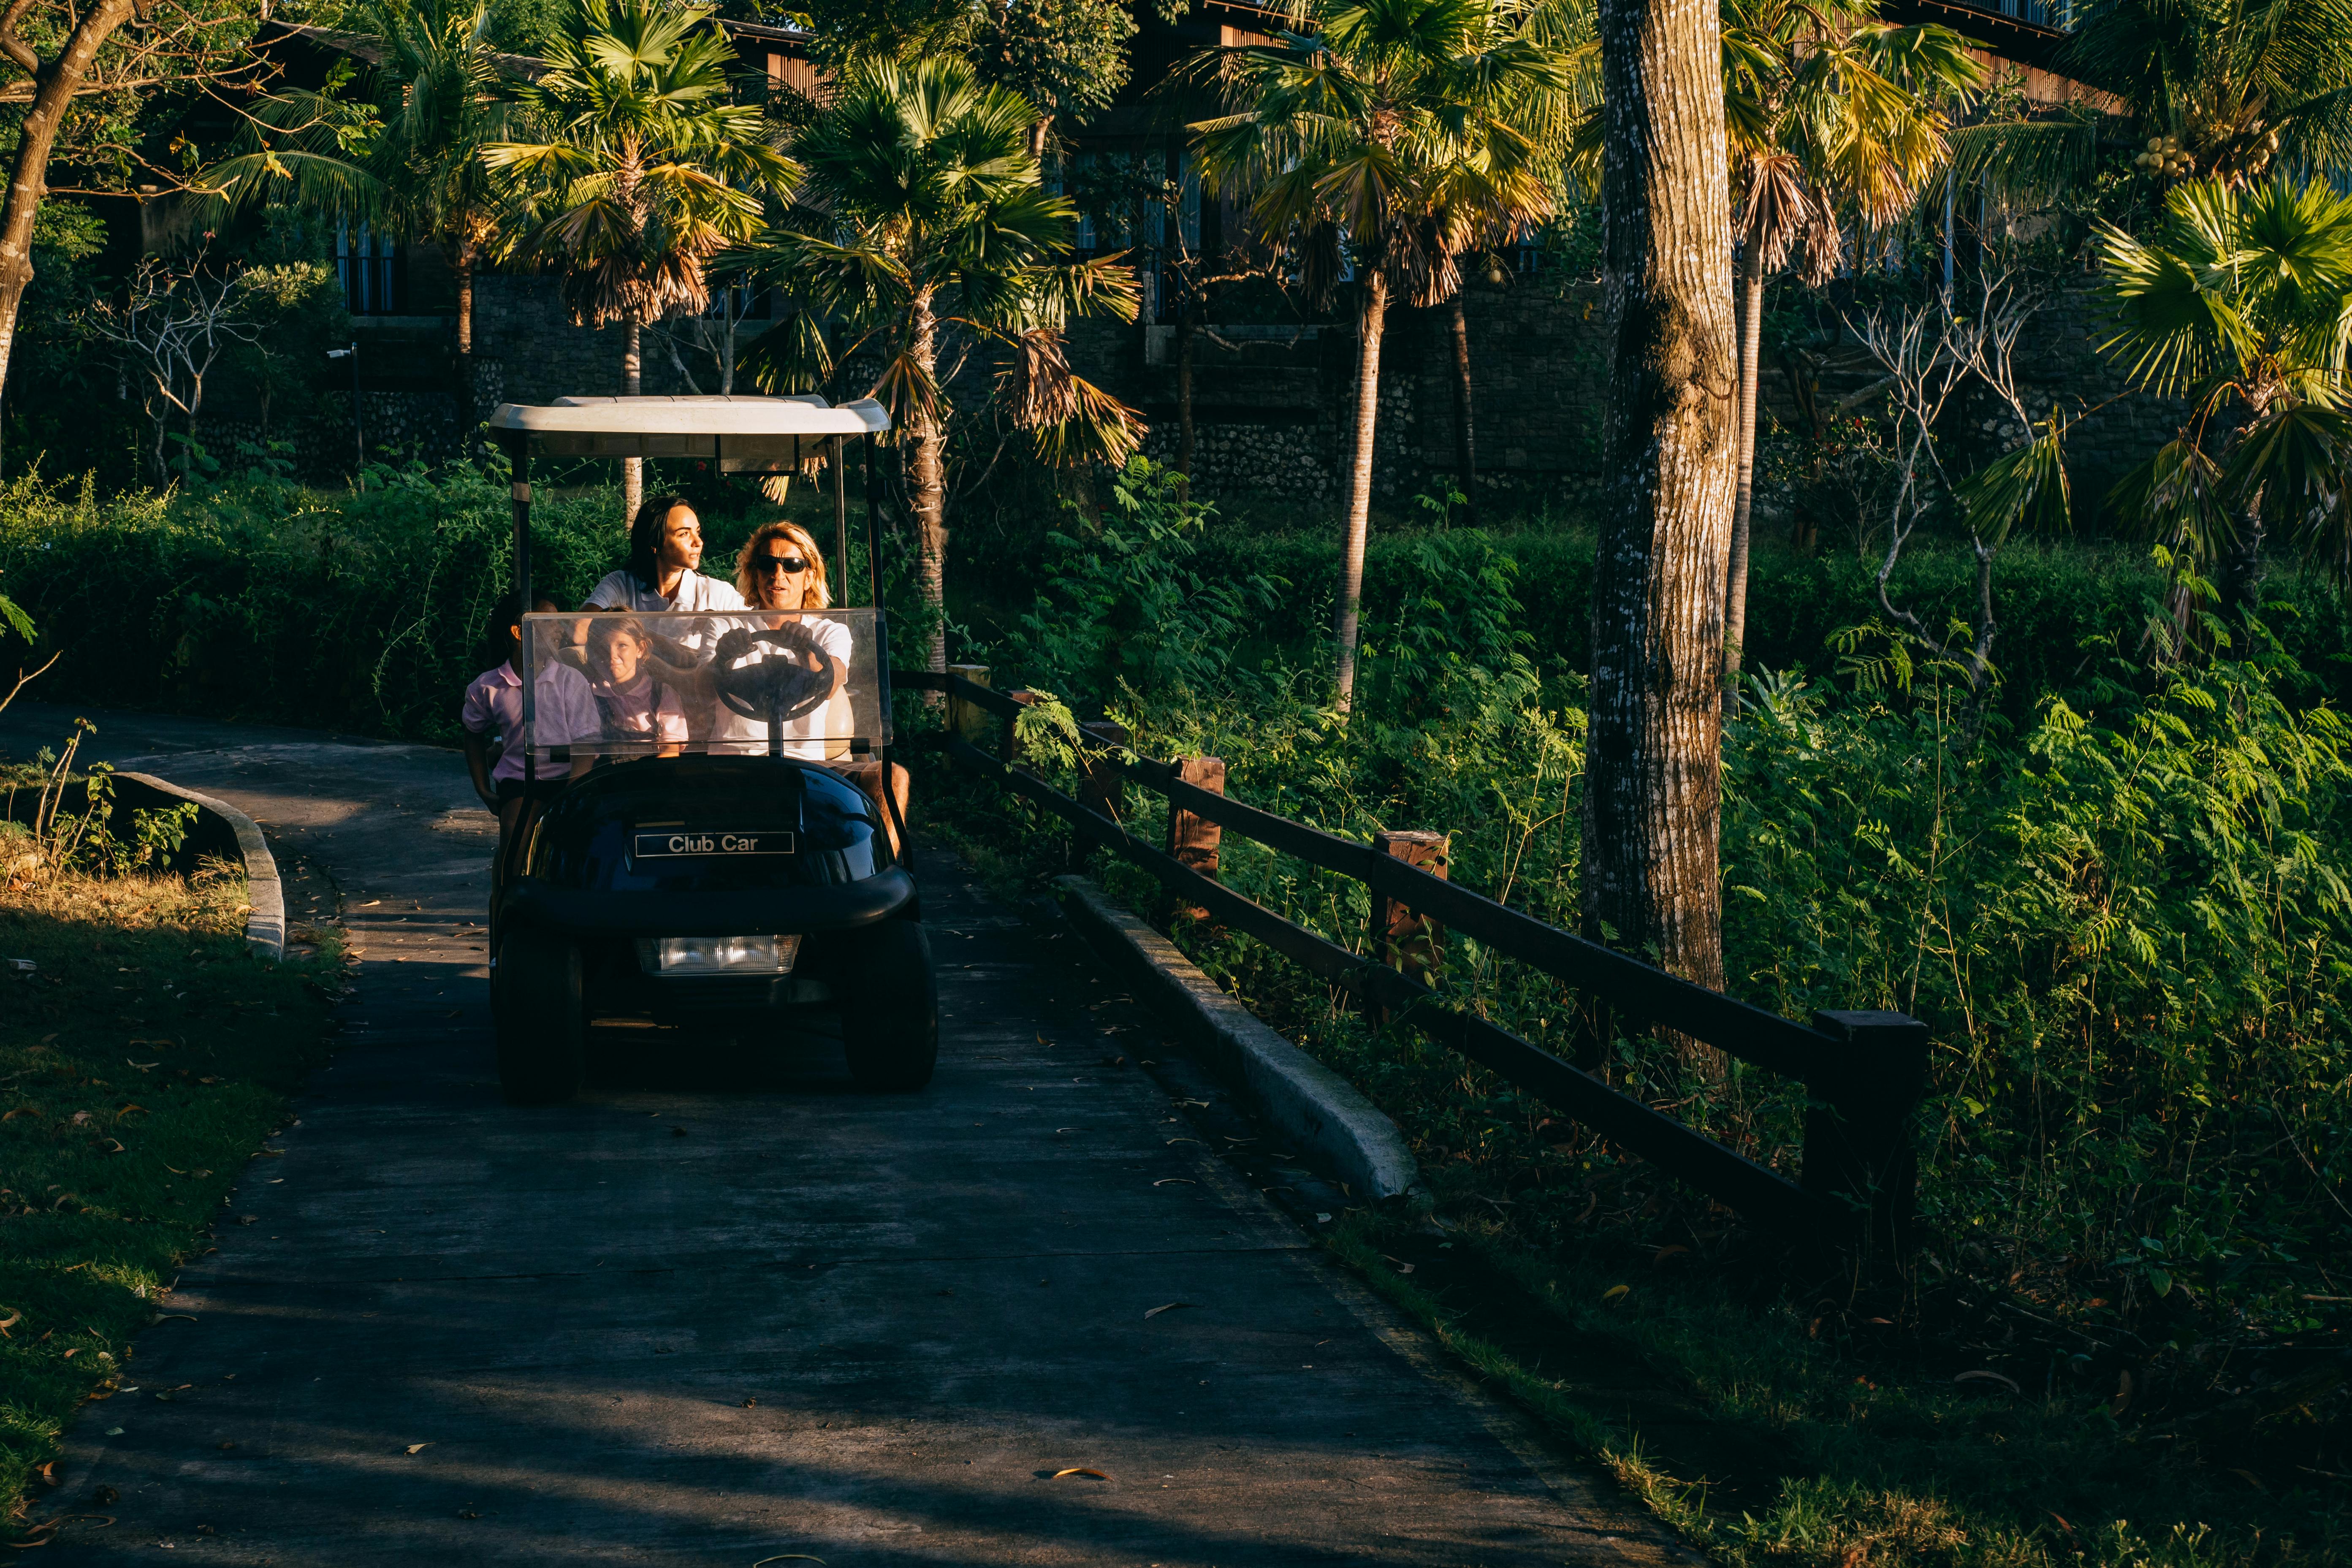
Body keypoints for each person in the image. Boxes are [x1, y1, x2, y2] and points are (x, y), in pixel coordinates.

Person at [460, 600, 597, 900]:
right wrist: (483, 790)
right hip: (519, 779)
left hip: (567, 778)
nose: (560, 631)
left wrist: (572, 790)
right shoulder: (488, 687)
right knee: (515, 833)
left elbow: (586, 744)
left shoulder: (570, 680)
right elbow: (473, 735)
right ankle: (513, 902)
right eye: (548, 624)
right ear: (519, 632)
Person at [709, 520, 853, 760]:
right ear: (755, 574)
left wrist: (806, 652)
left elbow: (831, 682)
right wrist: (724, 658)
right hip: (734, 764)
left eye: (792, 566)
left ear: (809, 578)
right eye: (767, 564)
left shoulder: (831, 632)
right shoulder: (727, 626)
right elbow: (701, 689)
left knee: (892, 778)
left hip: (804, 767)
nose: (778, 575)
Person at [586, 615, 687, 759]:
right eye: (604, 647)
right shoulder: (589, 693)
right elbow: (586, 750)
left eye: (622, 645)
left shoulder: (660, 694)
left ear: (640, 649)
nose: (612, 655)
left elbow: (671, 749)